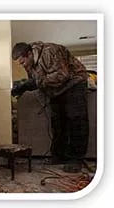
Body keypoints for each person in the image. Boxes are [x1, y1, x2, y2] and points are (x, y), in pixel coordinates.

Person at [11, 41, 89, 173]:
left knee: (76, 120)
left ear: (30, 54)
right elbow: (38, 81)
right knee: (57, 122)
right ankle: (59, 156)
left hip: (74, 84)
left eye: (23, 62)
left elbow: (62, 75)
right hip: (56, 90)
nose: (22, 65)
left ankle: (75, 159)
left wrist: (32, 83)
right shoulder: (29, 64)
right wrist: (23, 88)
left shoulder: (49, 51)